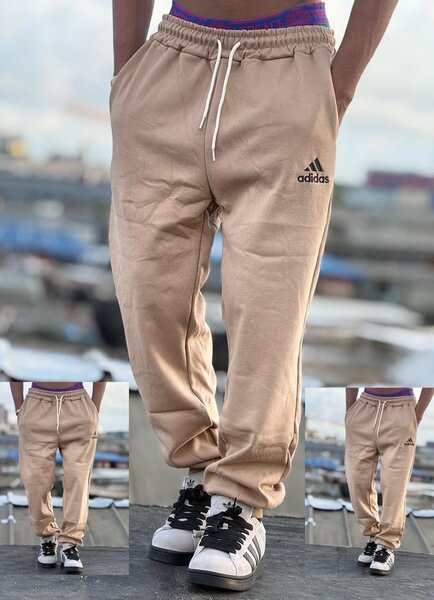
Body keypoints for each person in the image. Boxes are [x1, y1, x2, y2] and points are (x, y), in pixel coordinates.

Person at [110, 0, 399, 591]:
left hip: (288, 68)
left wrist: (337, 90)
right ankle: (200, 474)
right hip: (172, 62)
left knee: (269, 309)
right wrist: (127, 73)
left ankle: (241, 498)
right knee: (146, 293)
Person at [11, 381, 106, 573]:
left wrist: (94, 408)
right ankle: (47, 537)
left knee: (78, 480)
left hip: (78, 406)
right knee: (35, 480)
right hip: (36, 406)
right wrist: (20, 408)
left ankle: (70, 544)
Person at [345, 387, 433, 576]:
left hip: (401, 410)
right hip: (365, 407)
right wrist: (350, 410)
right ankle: (373, 535)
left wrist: (417, 415)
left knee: (395, 485)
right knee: (356, 479)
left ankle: (386, 545)